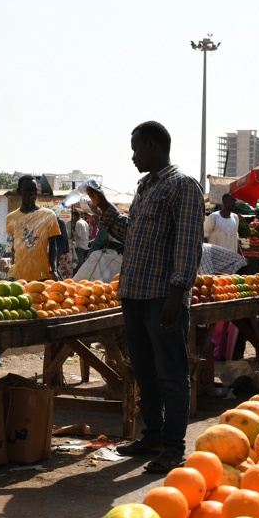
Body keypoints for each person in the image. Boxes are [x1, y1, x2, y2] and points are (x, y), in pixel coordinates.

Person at [87, 121, 204, 473]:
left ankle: (173, 447)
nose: (133, 156)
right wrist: (105, 208)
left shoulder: (182, 186)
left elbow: (188, 243)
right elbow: (131, 234)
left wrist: (177, 292)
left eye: (137, 148)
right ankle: (152, 435)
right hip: (135, 294)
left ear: (153, 146)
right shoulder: (145, 187)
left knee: (170, 373)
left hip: (161, 296)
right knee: (145, 371)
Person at [6, 174, 61, 281]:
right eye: (28, 190)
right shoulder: (11, 217)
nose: (32, 193)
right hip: (18, 275)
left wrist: (54, 269)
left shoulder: (48, 215)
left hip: (41, 274)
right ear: (19, 192)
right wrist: (13, 264)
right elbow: (14, 245)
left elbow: (53, 246)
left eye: (34, 190)